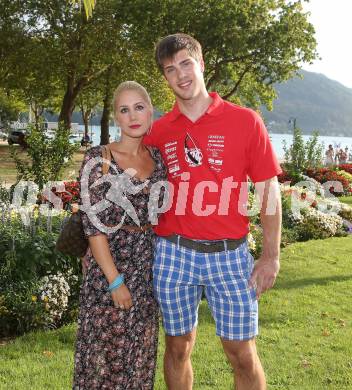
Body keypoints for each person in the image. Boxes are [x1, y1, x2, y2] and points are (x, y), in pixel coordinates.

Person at [144, 33, 282, 390]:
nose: (180, 74)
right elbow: (129, 184)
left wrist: (270, 257)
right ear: (165, 78)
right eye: (170, 69)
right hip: (173, 253)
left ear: (201, 64)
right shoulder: (158, 131)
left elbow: (268, 190)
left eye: (186, 63)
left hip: (229, 254)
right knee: (177, 348)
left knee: (242, 353)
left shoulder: (245, 121)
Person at [73, 81, 167, 389]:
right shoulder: (98, 159)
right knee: (103, 360)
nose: (132, 116)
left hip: (147, 269)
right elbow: (93, 226)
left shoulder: (158, 160)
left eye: (139, 107)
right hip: (108, 271)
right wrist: (114, 281)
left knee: (138, 359)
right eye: (124, 110)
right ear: (116, 117)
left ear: (150, 112)